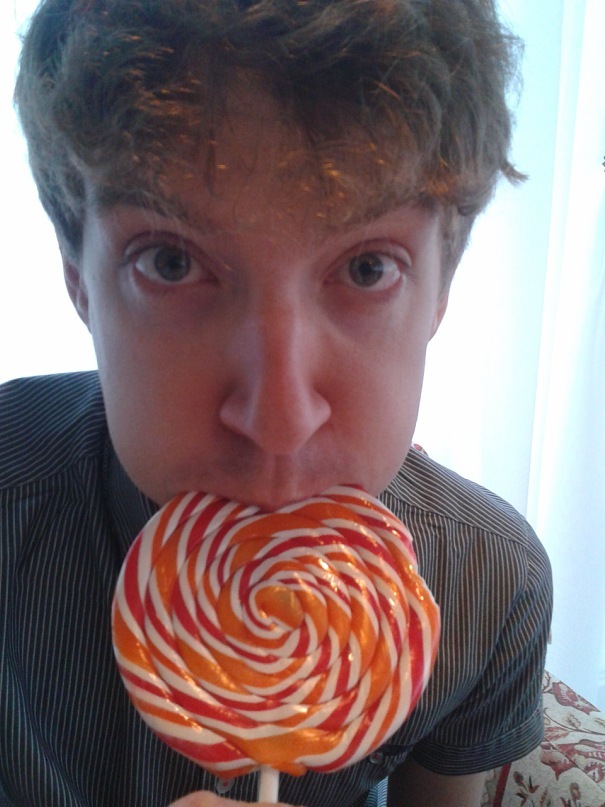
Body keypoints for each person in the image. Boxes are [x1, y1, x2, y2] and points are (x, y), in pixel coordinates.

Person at [0, 0, 552, 805]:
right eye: (169, 262)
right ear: (77, 277)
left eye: (366, 268)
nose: (280, 422)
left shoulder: (489, 585)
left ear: (442, 289)